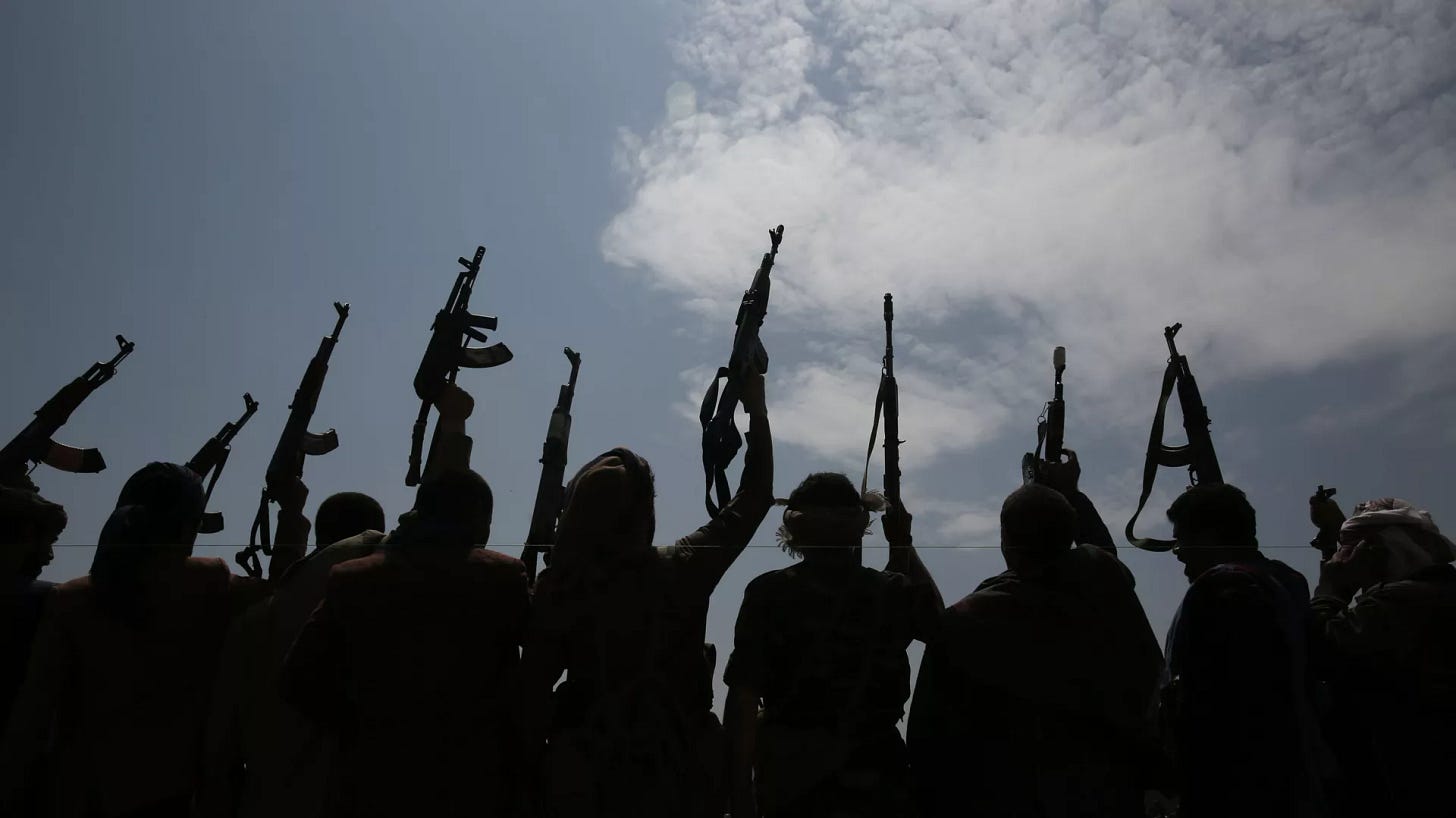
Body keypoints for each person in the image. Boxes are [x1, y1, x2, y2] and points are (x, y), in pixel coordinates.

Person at [520, 370, 774, 818]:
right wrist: (756, 409)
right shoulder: (684, 566)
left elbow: (532, 696)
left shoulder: (559, 587)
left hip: (587, 781)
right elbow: (754, 499)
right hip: (678, 780)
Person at [280, 384, 528, 818]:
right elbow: (538, 666)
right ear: (480, 524)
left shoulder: (352, 578)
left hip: (369, 786)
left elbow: (298, 679)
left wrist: (362, 727)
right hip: (470, 786)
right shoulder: (502, 577)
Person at [0, 462, 279, 818]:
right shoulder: (212, 581)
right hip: (180, 796)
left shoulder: (69, 600)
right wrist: (290, 511)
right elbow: (284, 598)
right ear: (188, 526)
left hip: (87, 797)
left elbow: (30, 725)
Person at [908, 476, 1163, 818]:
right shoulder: (1104, 580)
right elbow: (1100, 552)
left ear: (1005, 540)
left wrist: (902, 546)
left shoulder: (974, 617)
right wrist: (1071, 491)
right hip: (1114, 793)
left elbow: (929, 736)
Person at [723, 473, 940, 818]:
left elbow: (743, 699)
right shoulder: (892, 591)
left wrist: (739, 794)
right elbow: (939, 626)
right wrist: (902, 542)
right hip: (877, 784)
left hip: (792, 783)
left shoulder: (769, 593)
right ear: (858, 527)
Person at [1159, 483, 1329, 818]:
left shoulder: (1225, 590)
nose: (1177, 552)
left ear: (1209, 535)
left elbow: (1225, 711)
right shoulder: (1286, 582)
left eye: (1182, 539)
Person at [1307, 496, 1456, 817]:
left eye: (1351, 549)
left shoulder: (1399, 604)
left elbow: (1318, 650)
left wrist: (1331, 589)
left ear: (1377, 550)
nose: (1343, 558)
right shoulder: (1432, 594)